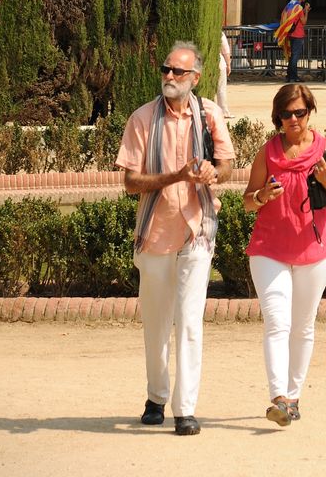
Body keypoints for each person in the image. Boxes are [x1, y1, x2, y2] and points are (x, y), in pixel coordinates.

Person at [116, 41, 234, 435]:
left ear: (195, 78)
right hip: (155, 231)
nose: (169, 77)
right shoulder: (143, 118)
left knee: (189, 322)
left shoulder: (209, 113)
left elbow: (228, 164)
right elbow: (131, 182)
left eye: (177, 72)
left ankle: (185, 409)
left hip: (197, 229)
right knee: (155, 321)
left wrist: (213, 174)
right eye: (166, 70)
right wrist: (176, 176)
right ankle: (156, 397)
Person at [244, 82, 326, 426]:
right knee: (277, 321)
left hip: (315, 250)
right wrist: (262, 197)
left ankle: (294, 395)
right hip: (269, 248)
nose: (293, 119)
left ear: (310, 112)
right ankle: (278, 398)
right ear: (278, 117)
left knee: (302, 326)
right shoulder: (268, 152)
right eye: (286, 114)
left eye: (300, 112)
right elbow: (247, 200)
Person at [278, 0, 310, 82]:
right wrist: (306, 11)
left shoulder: (290, 6)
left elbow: (295, 17)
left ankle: (289, 76)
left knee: (292, 56)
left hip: (291, 34)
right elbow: (303, 22)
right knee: (295, 56)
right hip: (298, 34)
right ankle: (294, 76)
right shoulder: (298, 7)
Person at [216, 29, 232, 118]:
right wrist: (228, 64)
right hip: (219, 64)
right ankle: (223, 111)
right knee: (221, 89)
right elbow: (225, 51)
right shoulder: (220, 33)